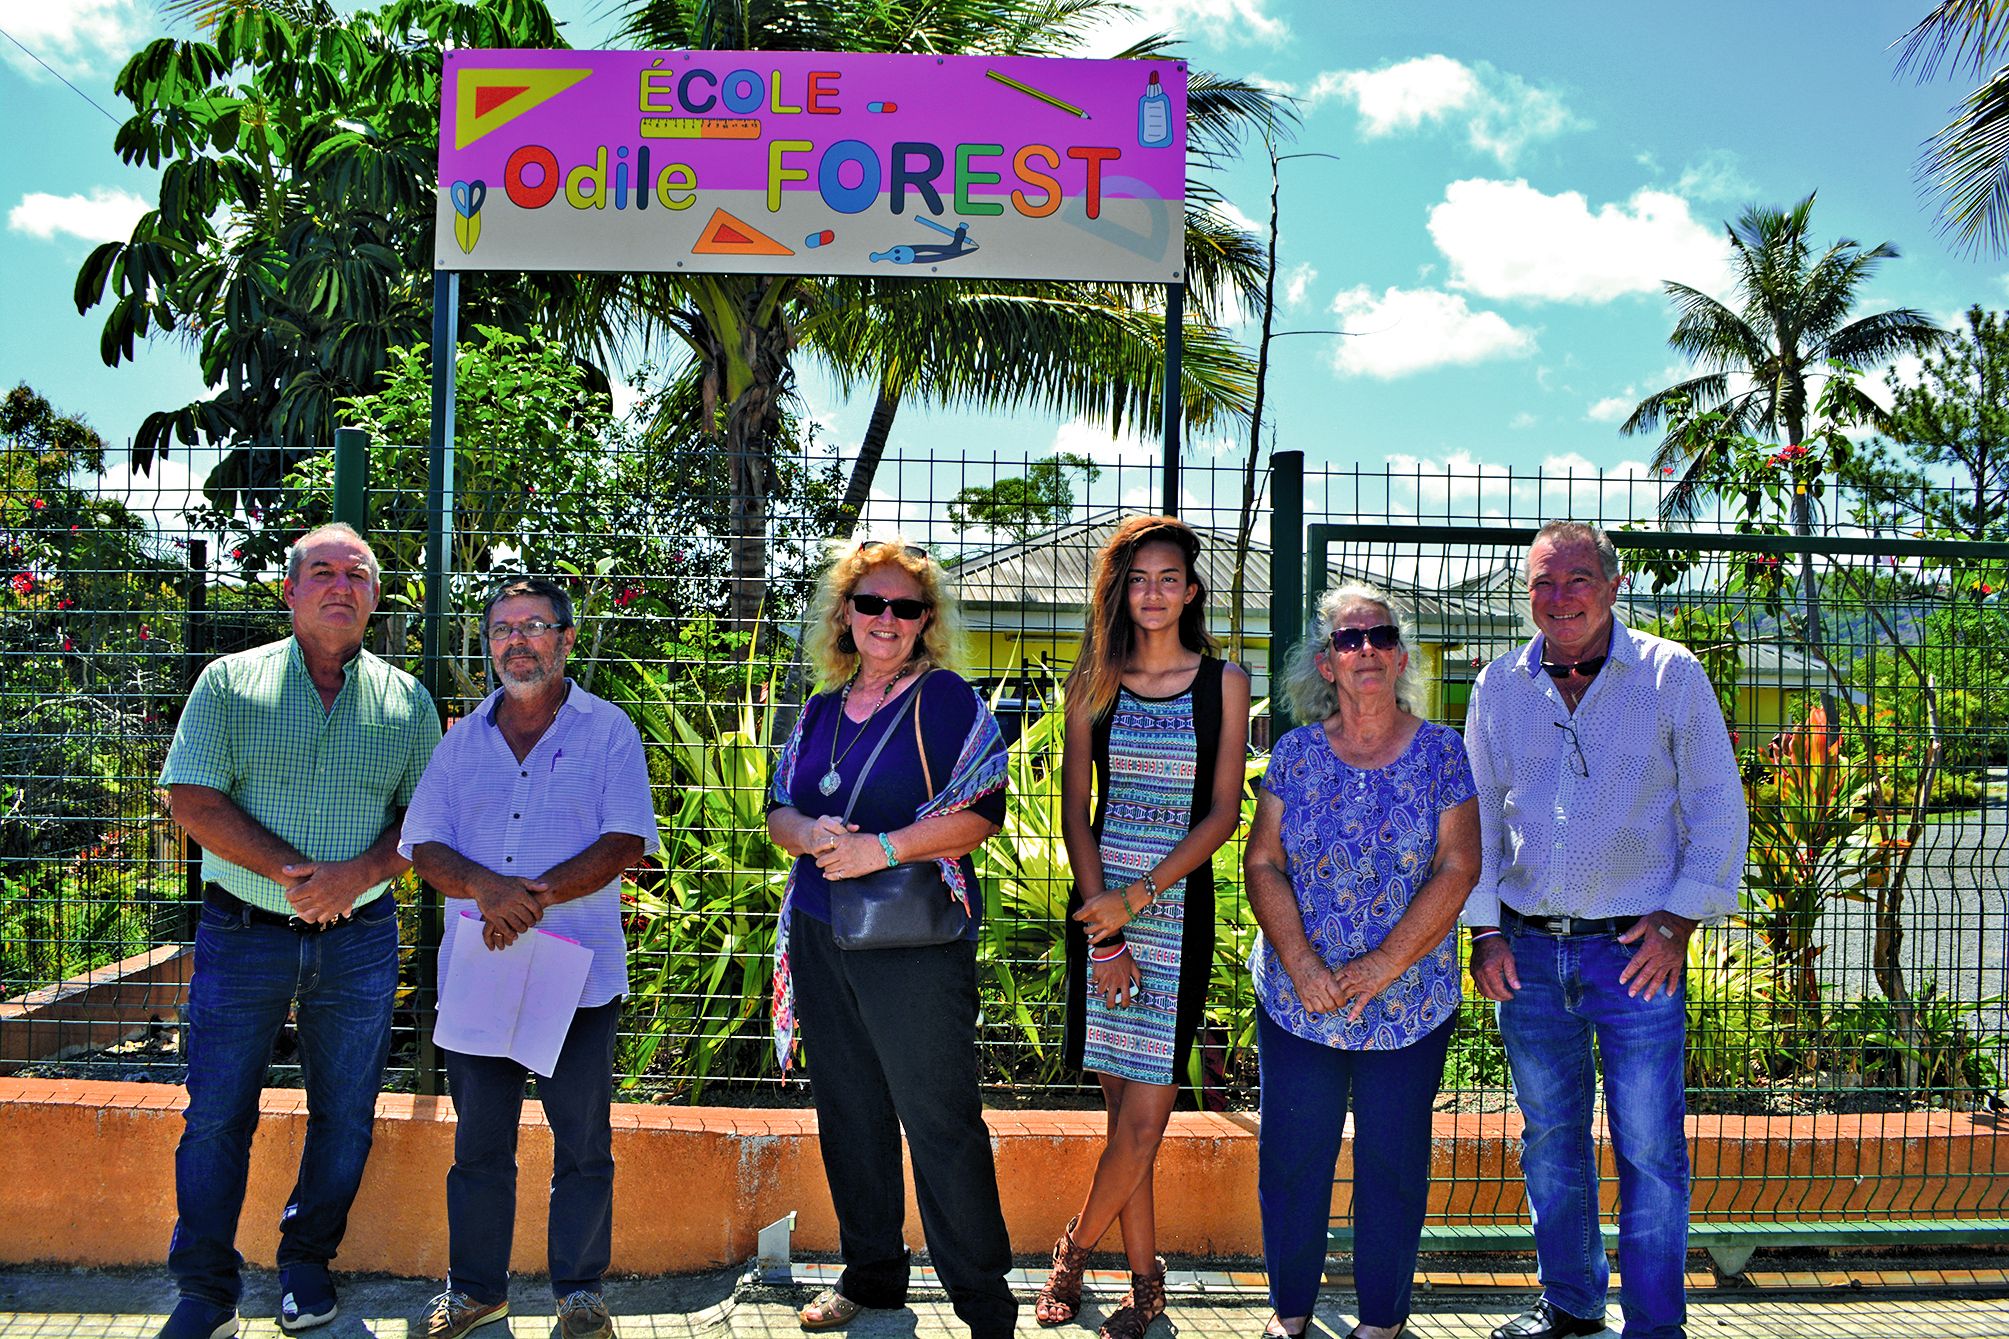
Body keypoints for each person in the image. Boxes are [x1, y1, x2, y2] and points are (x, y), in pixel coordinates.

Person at [156, 522, 442, 1339]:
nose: (340, 586)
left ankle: (306, 1261)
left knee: (347, 1112)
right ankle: (206, 1291)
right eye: (322, 571)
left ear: (375, 599)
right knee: (216, 1111)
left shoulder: (406, 701)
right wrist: (296, 876)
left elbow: (425, 821)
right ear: (289, 591)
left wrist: (349, 880)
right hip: (243, 933)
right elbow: (192, 800)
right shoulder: (227, 683)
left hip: (358, 939)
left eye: (357, 574)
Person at [1464, 521, 1748, 1339]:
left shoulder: (1669, 674)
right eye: (1542, 585)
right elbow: (1479, 818)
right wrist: (1484, 932)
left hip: (1635, 957)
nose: (1559, 599)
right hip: (1524, 951)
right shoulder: (1498, 685)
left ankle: (1654, 1326)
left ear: (1614, 586)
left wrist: (1677, 920)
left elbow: (1716, 810)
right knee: (1549, 1141)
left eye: (1576, 579)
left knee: (1650, 1150)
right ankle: (1572, 1305)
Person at [766, 539, 1016, 1339]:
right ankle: (872, 1277)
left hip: (912, 938)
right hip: (819, 926)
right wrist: (809, 831)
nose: (886, 619)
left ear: (924, 622)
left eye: (905, 608)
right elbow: (778, 810)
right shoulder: (818, 707)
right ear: (844, 612)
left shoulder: (944, 701)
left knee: (939, 1118)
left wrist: (879, 847)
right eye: (869, 603)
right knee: (848, 1111)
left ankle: (984, 1307)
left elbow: (982, 811)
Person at [400, 576, 659, 1339]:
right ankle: (477, 1291)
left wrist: (530, 896)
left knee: (583, 1141)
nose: (517, 640)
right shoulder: (459, 740)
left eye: (535, 625)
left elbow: (623, 841)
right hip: (482, 969)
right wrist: (485, 887)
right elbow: (423, 843)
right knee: (480, 1142)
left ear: (567, 639)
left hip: (576, 973)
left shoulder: (608, 730)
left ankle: (580, 1295)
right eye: (502, 628)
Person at [1244, 583, 1480, 1339]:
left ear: (1401, 654)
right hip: (1298, 998)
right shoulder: (1294, 754)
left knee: (1391, 1167)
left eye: (1379, 635)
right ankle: (1289, 1317)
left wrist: (1381, 964)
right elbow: (1261, 863)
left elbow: (1457, 867)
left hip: (1406, 1003)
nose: (1366, 649)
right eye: (1349, 640)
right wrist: (1305, 966)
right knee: (1291, 1160)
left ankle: (1380, 1323)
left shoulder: (1443, 752)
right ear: (1326, 662)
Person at [1036, 517, 1250, 1339]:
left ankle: (1070, 1254)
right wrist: (1107, 928)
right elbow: (1075, 815)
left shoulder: (1223, 683)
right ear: (1119, 591)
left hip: (1175, 912)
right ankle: (1143, 1283)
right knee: (1123, 1111)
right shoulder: (1093, 678)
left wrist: (1141, 898)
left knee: (1145, 1118)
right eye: (1137, 579)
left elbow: (1223, 815)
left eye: (1168, 578)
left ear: (1190, 591)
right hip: (1100, 917)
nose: (1153, 592)